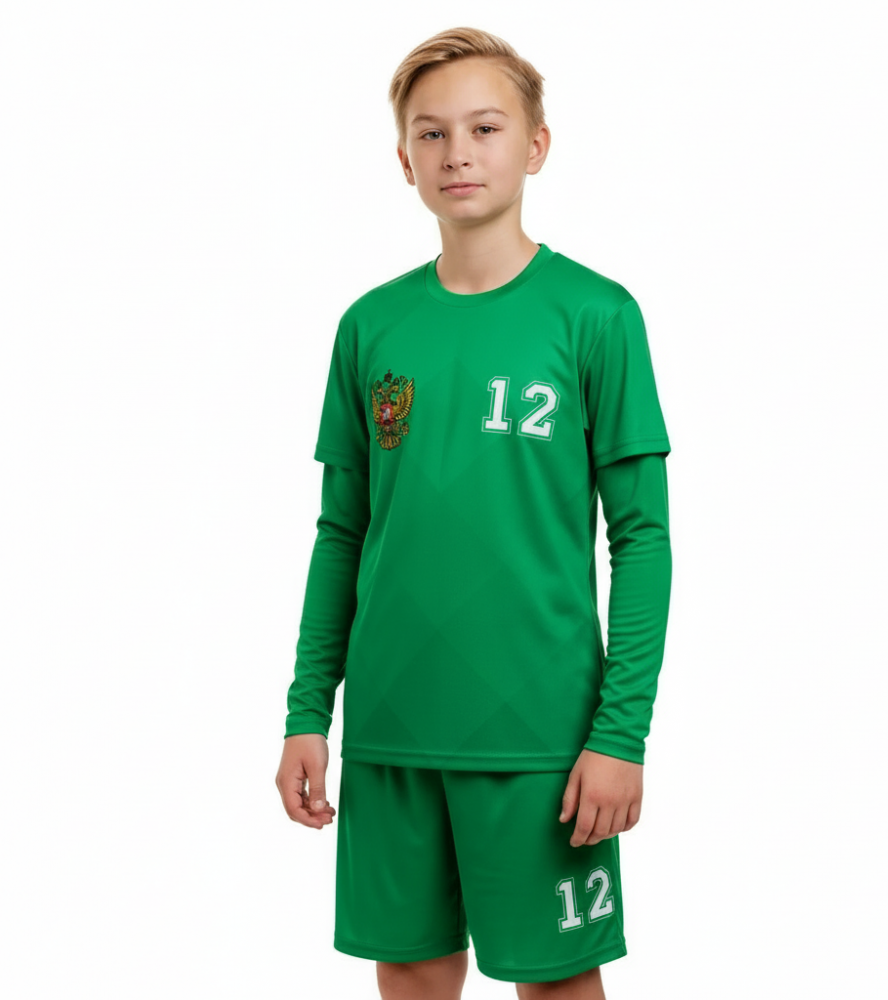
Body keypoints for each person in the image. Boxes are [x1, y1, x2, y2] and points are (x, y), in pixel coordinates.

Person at [274, 26, 673, 1000]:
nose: (458, 152)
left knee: (556, 980)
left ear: (535, 145)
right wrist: (306, 711)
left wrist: (620, 734)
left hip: (541, 737)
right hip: (390, 728)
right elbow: (341, 533)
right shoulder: (370, 326)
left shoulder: (596, 316)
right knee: (411, 972)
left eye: (485, 128)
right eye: (432, 132)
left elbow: (641, 537)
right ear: (403, 158)